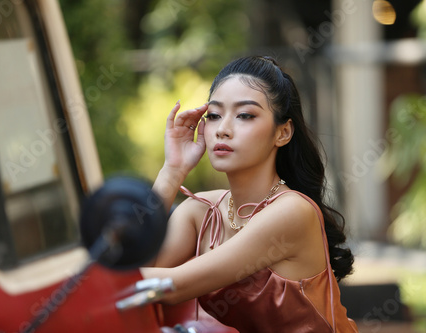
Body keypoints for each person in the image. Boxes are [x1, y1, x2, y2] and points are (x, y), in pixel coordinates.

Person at [141, 55, 358, 332]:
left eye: (245, 115)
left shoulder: (292, 211)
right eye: (214, 115)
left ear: (283, 132)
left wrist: (97, 278)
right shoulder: (201, 212)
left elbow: (170, 286)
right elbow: (139, 268)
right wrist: (172, 171)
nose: (223, 129)